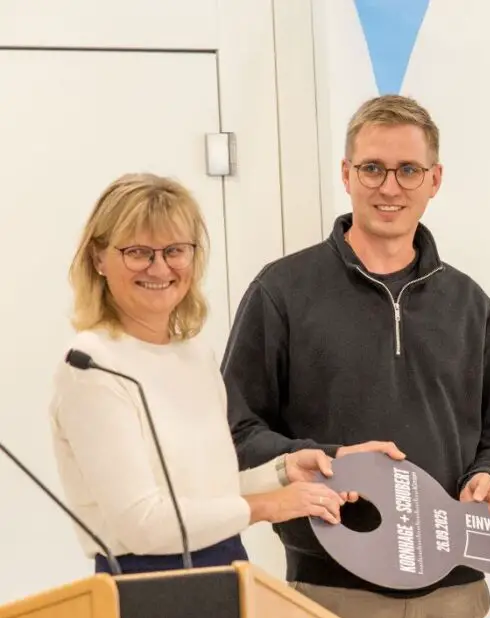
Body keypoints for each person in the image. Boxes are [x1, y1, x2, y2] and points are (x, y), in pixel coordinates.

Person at [220, 94, 490, 618]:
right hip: (333, 589)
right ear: (346, 173)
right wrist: (324, 458)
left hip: (450, 592)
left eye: (407, 170)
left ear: (435, 179)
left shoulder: (468, 303)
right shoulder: (283, 292)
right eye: (373, 168)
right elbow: (237, 430)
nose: (390, 186)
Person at [49, 174, 350, 575]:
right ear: (98, 259)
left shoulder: (194, 357)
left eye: (175, 250)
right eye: (138, 252)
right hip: (144, 584)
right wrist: (266, 508)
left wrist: (284, 472)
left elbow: (208, 497)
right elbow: (144, 525)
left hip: (225, 566)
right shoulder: (90, 367)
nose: (160, 267)